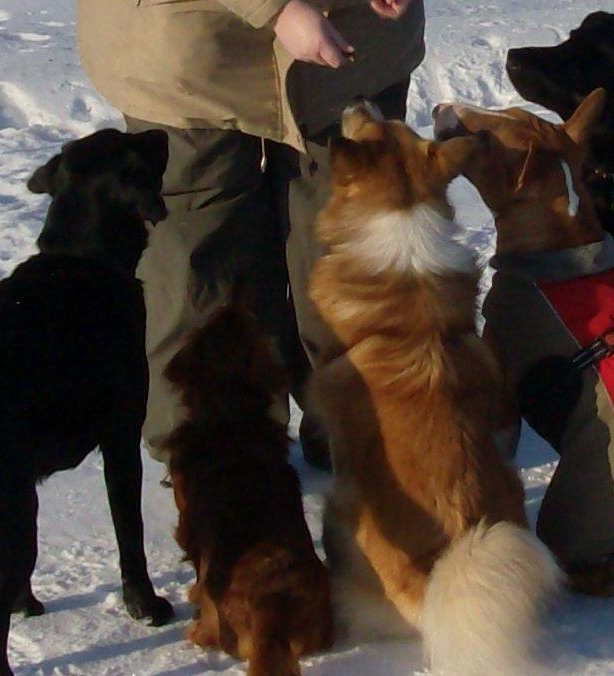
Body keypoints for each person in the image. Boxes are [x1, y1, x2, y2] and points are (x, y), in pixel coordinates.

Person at [76, 0, 425, 471]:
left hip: (350, 44)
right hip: (189, 53)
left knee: (348, 252)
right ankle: (217, 464)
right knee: (201, 266)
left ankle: (362, 433)